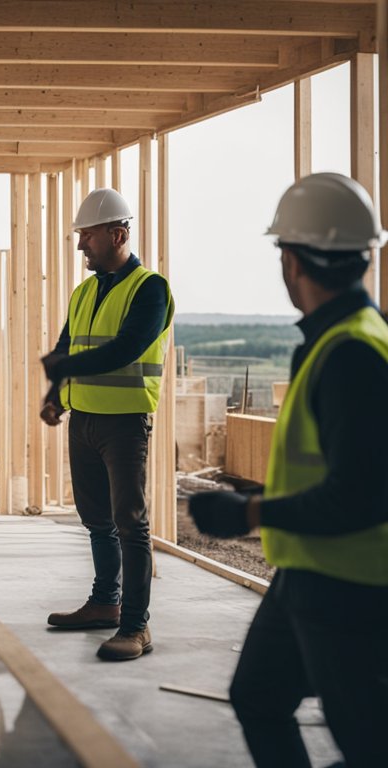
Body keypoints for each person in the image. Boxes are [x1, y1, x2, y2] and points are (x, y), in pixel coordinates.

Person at [188, 173, 388, 767]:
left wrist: (245, 511)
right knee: (258, 696)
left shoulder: (352, 355)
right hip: (305, 572)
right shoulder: (344, 340)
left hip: (349, 586)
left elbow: (360, 495)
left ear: (294, 261)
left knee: (367, 744)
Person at [40, 188, 175, 661]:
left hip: (124, 424)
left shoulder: (150, 289)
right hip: (85, 420)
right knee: (96, 520)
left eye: (88, 237)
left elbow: (127, 348)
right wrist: (55, 396)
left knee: (130, 523)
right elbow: (64, 352)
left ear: (118, 234)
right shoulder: (84, 292)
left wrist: (67, 367)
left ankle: (137, 627)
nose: (81, 247)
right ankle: (105, 603)